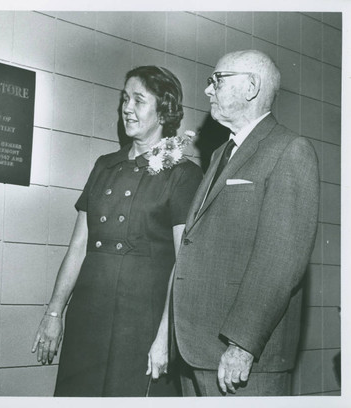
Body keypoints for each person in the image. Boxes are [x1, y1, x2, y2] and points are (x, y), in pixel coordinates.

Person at [148, 50, 320, 396]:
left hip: (240, 361)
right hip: (198, 352)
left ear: (251, 87)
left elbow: (280, 263)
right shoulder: (220, 155)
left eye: (218, 80)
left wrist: (242, 345)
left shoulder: (289, 150)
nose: (208, 90)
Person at [31, 66, 202, 397]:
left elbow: (185, 266)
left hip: (144, 325)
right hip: (89, 319)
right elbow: (78, 247)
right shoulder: (104, 166)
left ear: (164, 110)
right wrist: (54, 312)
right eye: (125, 99)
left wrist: (166, 337)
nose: (127, 107)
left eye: (139, 100)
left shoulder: (182, 174)